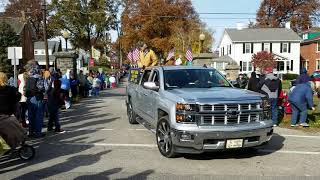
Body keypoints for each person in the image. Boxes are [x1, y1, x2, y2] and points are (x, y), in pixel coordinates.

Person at [0, 72, 26, 150]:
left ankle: (6, 147)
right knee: (13, 132)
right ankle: (11, 145)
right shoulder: (10, 89)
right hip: (8, 115)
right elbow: (18, 96)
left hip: (4, 115)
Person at [25, 60, 46, 138]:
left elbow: (25, 88)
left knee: (31, 116)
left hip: (29, 98)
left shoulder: (28, 77)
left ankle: (31, 132)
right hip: (37, 97)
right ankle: (38, 133)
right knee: (38, 116)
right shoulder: (39, 77)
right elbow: (41, 88)